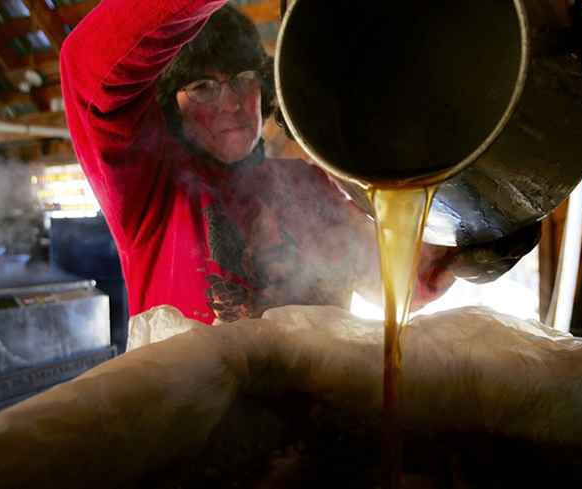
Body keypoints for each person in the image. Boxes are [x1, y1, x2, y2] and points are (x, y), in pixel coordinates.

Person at [60, 0, 538, 325]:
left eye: (243, 79)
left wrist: (473, 243)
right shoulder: (153, 191)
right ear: (170, 105)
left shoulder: (307, 187)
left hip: (310, 448)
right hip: (191, 450)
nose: (229, 102)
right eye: (203, 87)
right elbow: (86, 66)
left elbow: (401, 280)